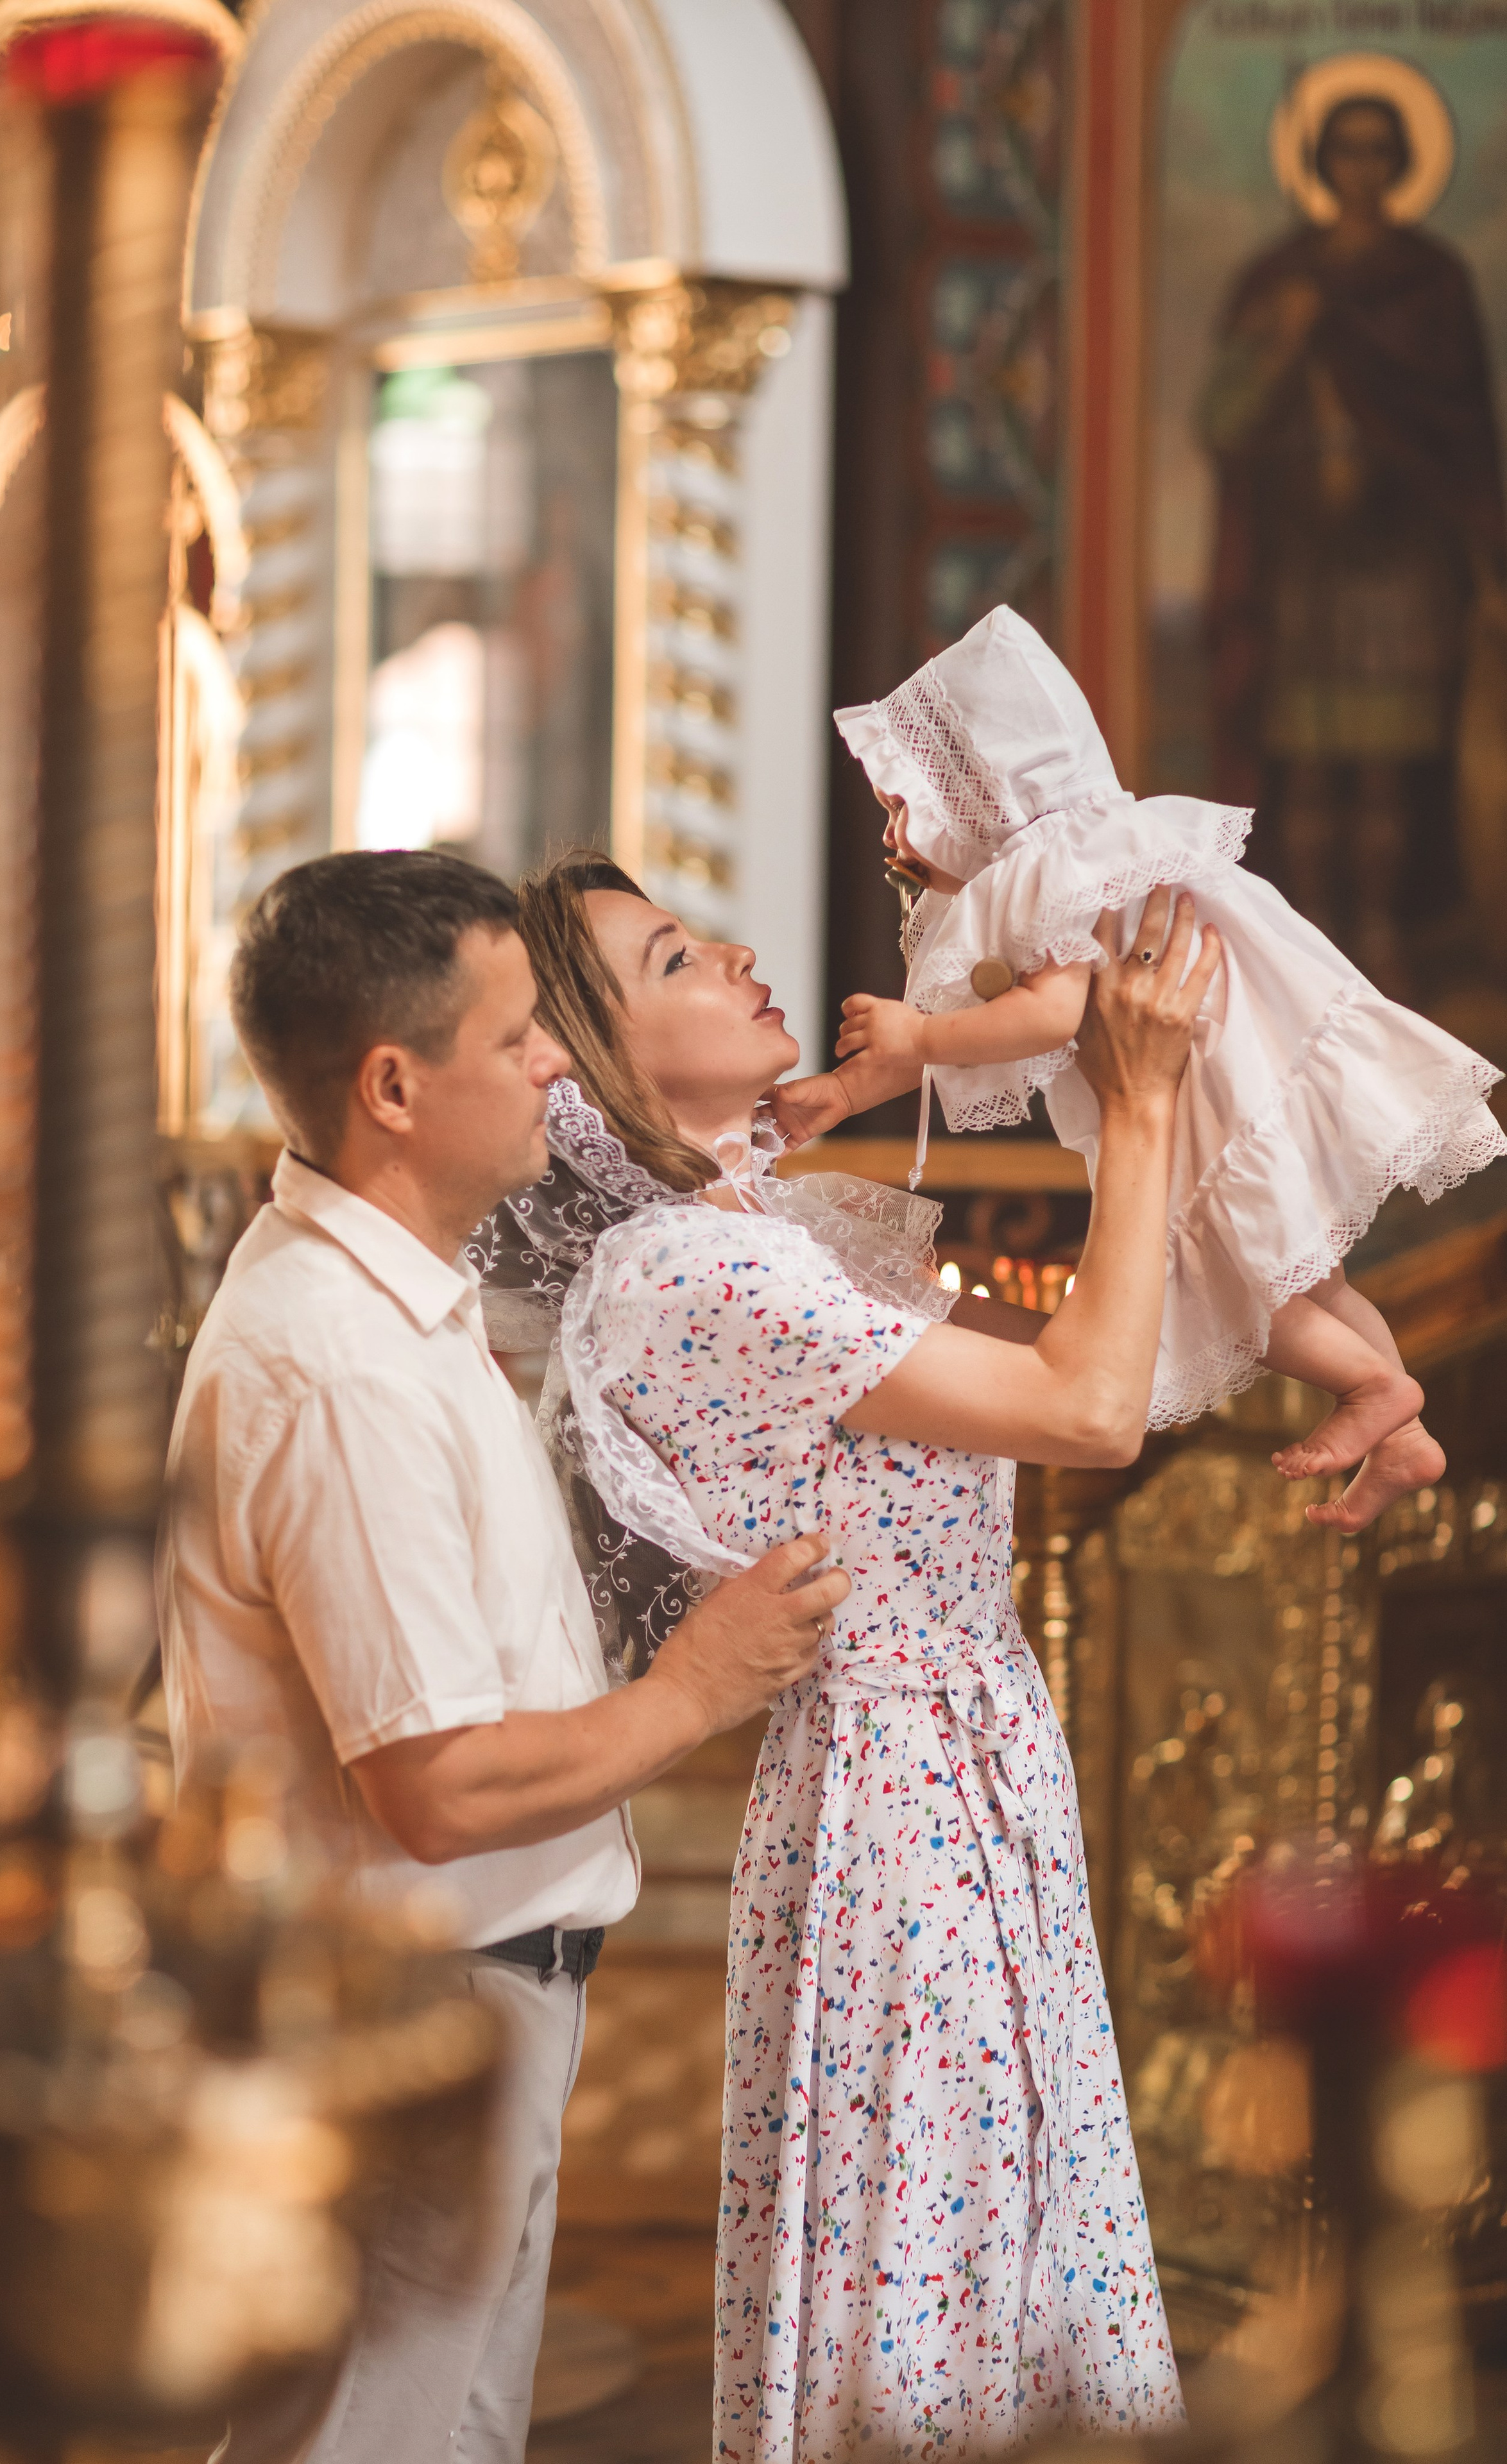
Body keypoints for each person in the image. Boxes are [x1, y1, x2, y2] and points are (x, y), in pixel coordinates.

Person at [480, 849, 1218, 2458]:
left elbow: (1088, 1343)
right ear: (597, 1065)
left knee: (999, 2253)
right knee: (946, 2298)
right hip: (907, 1807)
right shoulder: (693, 1273)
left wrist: (990, 955)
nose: (739, 954)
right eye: (675, 959)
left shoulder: (756, 1232)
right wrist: (1141, 1093)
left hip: (950, 1766)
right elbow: (1088, 1408)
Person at [155, 849, 848, 2464]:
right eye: (521, 1030)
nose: (555, 1059)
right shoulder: (337, 1365)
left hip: (450, 2013)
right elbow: (439, 1786)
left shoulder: (399, 1304)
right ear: (393, 1085)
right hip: (391, 2021)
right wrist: (698, 1682)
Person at [776, 604, 1507, 1533]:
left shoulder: (1052, 866)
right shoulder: (1071, 855)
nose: (892, 834)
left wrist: (918, 1040)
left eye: (902, 804)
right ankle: (1399, 1421)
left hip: (1199, 1083)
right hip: (1222, 1065)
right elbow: (974, 1023)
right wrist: (841, 1091)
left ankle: (1369, 1385)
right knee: (1311, 1279)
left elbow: (1053, 1012)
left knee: (1234, 1278)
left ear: (987, 794)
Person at [1200, 90, 1507, 995]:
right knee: (1307, 768)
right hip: (1304, 560)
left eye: (1380, 149)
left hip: (1401, 559)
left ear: (1403, 159)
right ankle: (1307, 935)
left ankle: (1379, 934)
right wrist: (1279, 342)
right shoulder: (1277, 278)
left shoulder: (1434, 281)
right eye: (1346, 149)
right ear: (1325, 163)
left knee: (1382, 771)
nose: (1362, 167)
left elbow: (1463, 435)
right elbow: (1223, 420)